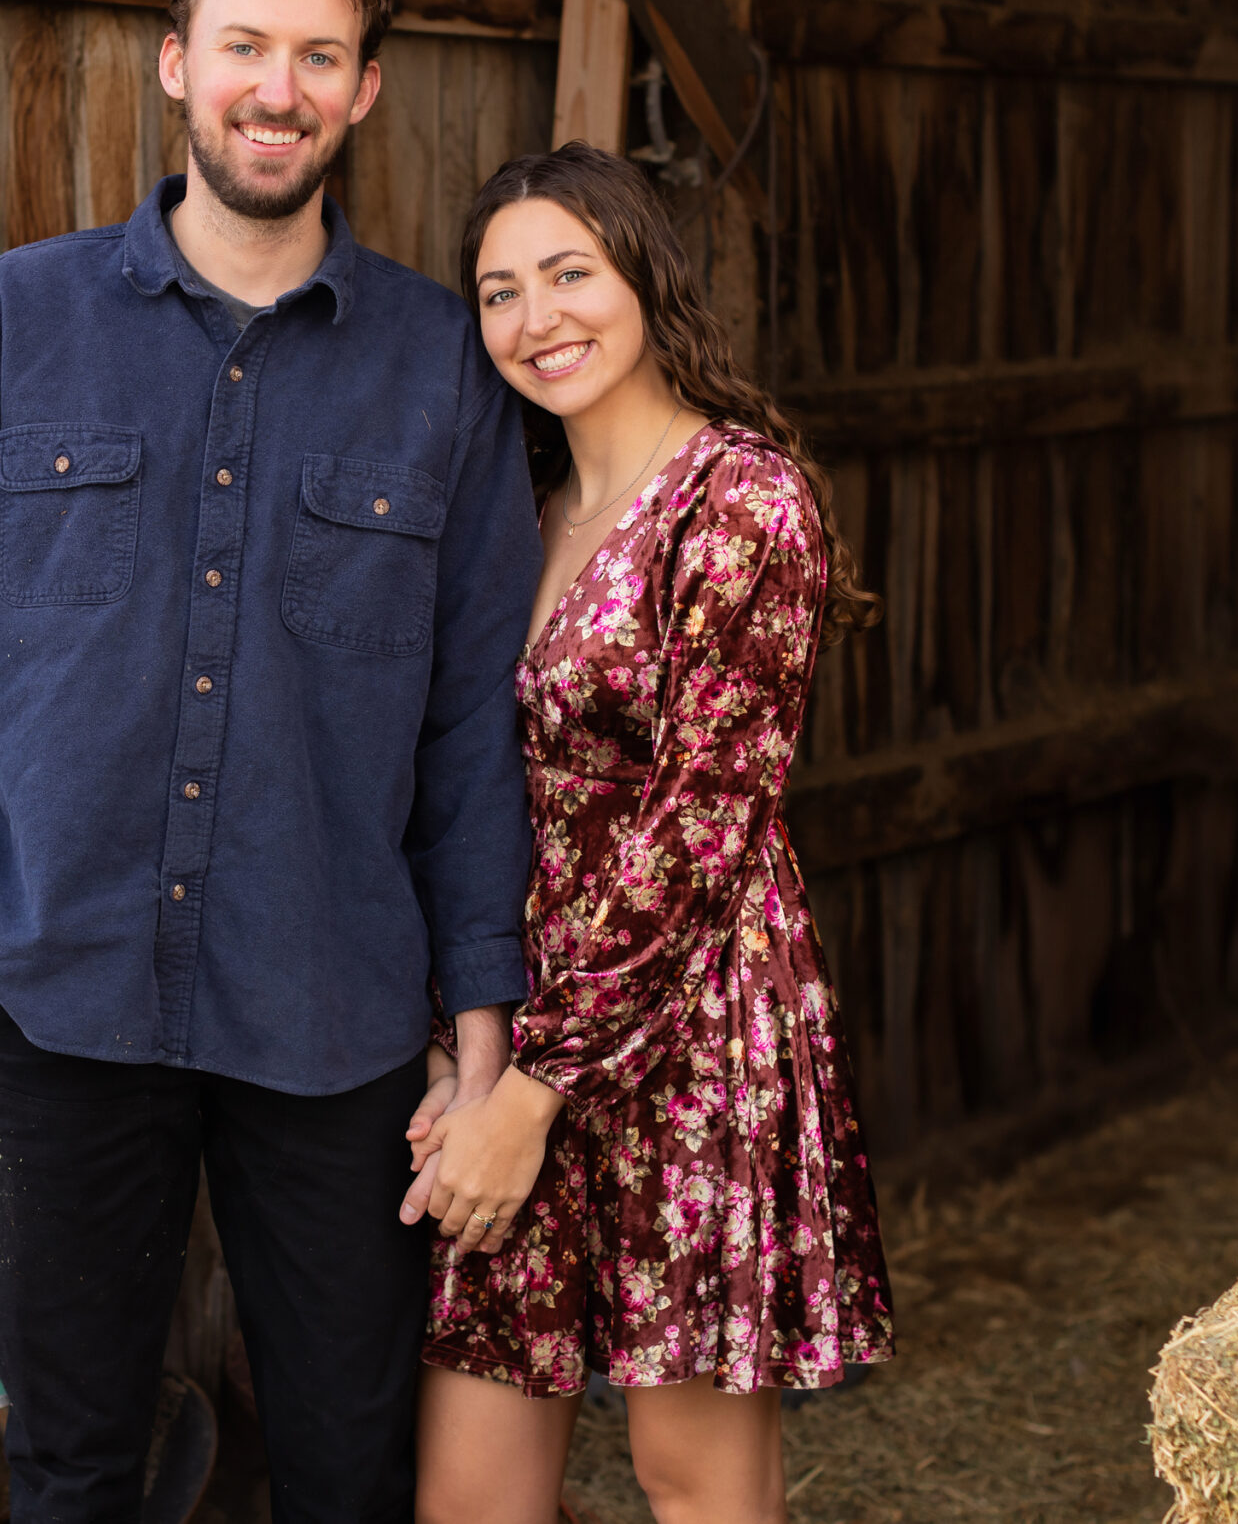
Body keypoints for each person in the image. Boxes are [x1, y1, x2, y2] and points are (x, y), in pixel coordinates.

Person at [0, 0, 544, 1522]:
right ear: (175, 63)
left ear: (363, 89)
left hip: (337, 1017)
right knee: (73, 1469)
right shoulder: (26, 318)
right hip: (58, 1004)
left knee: (349, 1471)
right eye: (244, 47)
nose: (276, 89)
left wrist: (484, 1034)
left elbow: (471, 739)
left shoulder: (441, 367)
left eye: (318, 56)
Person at [402, 144, 896, 1524]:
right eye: (500, 291)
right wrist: (463, 1042)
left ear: (645, 278)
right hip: (521, 1031)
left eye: (570, 273)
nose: (537, 317)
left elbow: (699, 828)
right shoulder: (521, 513)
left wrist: (534, 1091)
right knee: (469, 1495)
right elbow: (467, 790)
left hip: (691, 1033)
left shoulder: (741, 498)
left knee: (694, 1488)